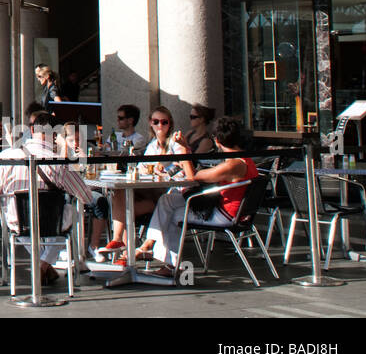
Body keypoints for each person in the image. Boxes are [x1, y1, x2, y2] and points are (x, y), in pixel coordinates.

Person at [131, 116, 259, 277]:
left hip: (226, 214)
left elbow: (194, 177)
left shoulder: (233, 165)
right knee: (168, 199)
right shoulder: (243, 159)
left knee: (176, 215)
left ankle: (171, 265)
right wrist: (186, 149)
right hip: (229, 209)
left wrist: (184, 152)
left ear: (217, 140)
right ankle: (149, 243)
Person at [0, 109, 96, 285]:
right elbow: (86, 196)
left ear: (32, 131)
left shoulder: (8, 156)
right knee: (67, 217)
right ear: (54, 136)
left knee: (22, 221)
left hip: (18, 221)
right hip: (52, 222)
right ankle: (43, 265)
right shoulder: (58, 162)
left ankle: (43, 266)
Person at [96, 107, 188, 262]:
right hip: (150, 193)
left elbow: (183, 169)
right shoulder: (153, 145)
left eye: (164, 122)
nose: (160, 125)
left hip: (167, 195)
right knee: (121, 195)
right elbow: (141, 169)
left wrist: (165, 172)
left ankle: (125, 251)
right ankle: (121, 245)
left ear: (170, 123)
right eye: (156, 122)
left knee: (125, 207)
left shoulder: (175, 143)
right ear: (150, 123)